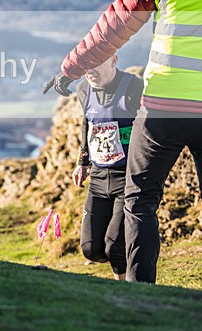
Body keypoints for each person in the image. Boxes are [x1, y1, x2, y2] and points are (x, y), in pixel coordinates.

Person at [43, 0, 202, 283]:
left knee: (139, 199)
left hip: (163, 104)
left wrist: (70, 68)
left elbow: (114, 26)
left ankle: (140, 289)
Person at [71, 55, 142, 280]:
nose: (89, 71)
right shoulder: (84, 89)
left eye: (95, 64)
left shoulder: (133, 86)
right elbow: (87, 123)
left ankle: (122, 288)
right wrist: (82, 162)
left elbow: (148, 126)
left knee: (114, 246)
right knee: (91, 249)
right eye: (84, 66)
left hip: (128, 177)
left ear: (112, 60)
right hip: (99, 178)